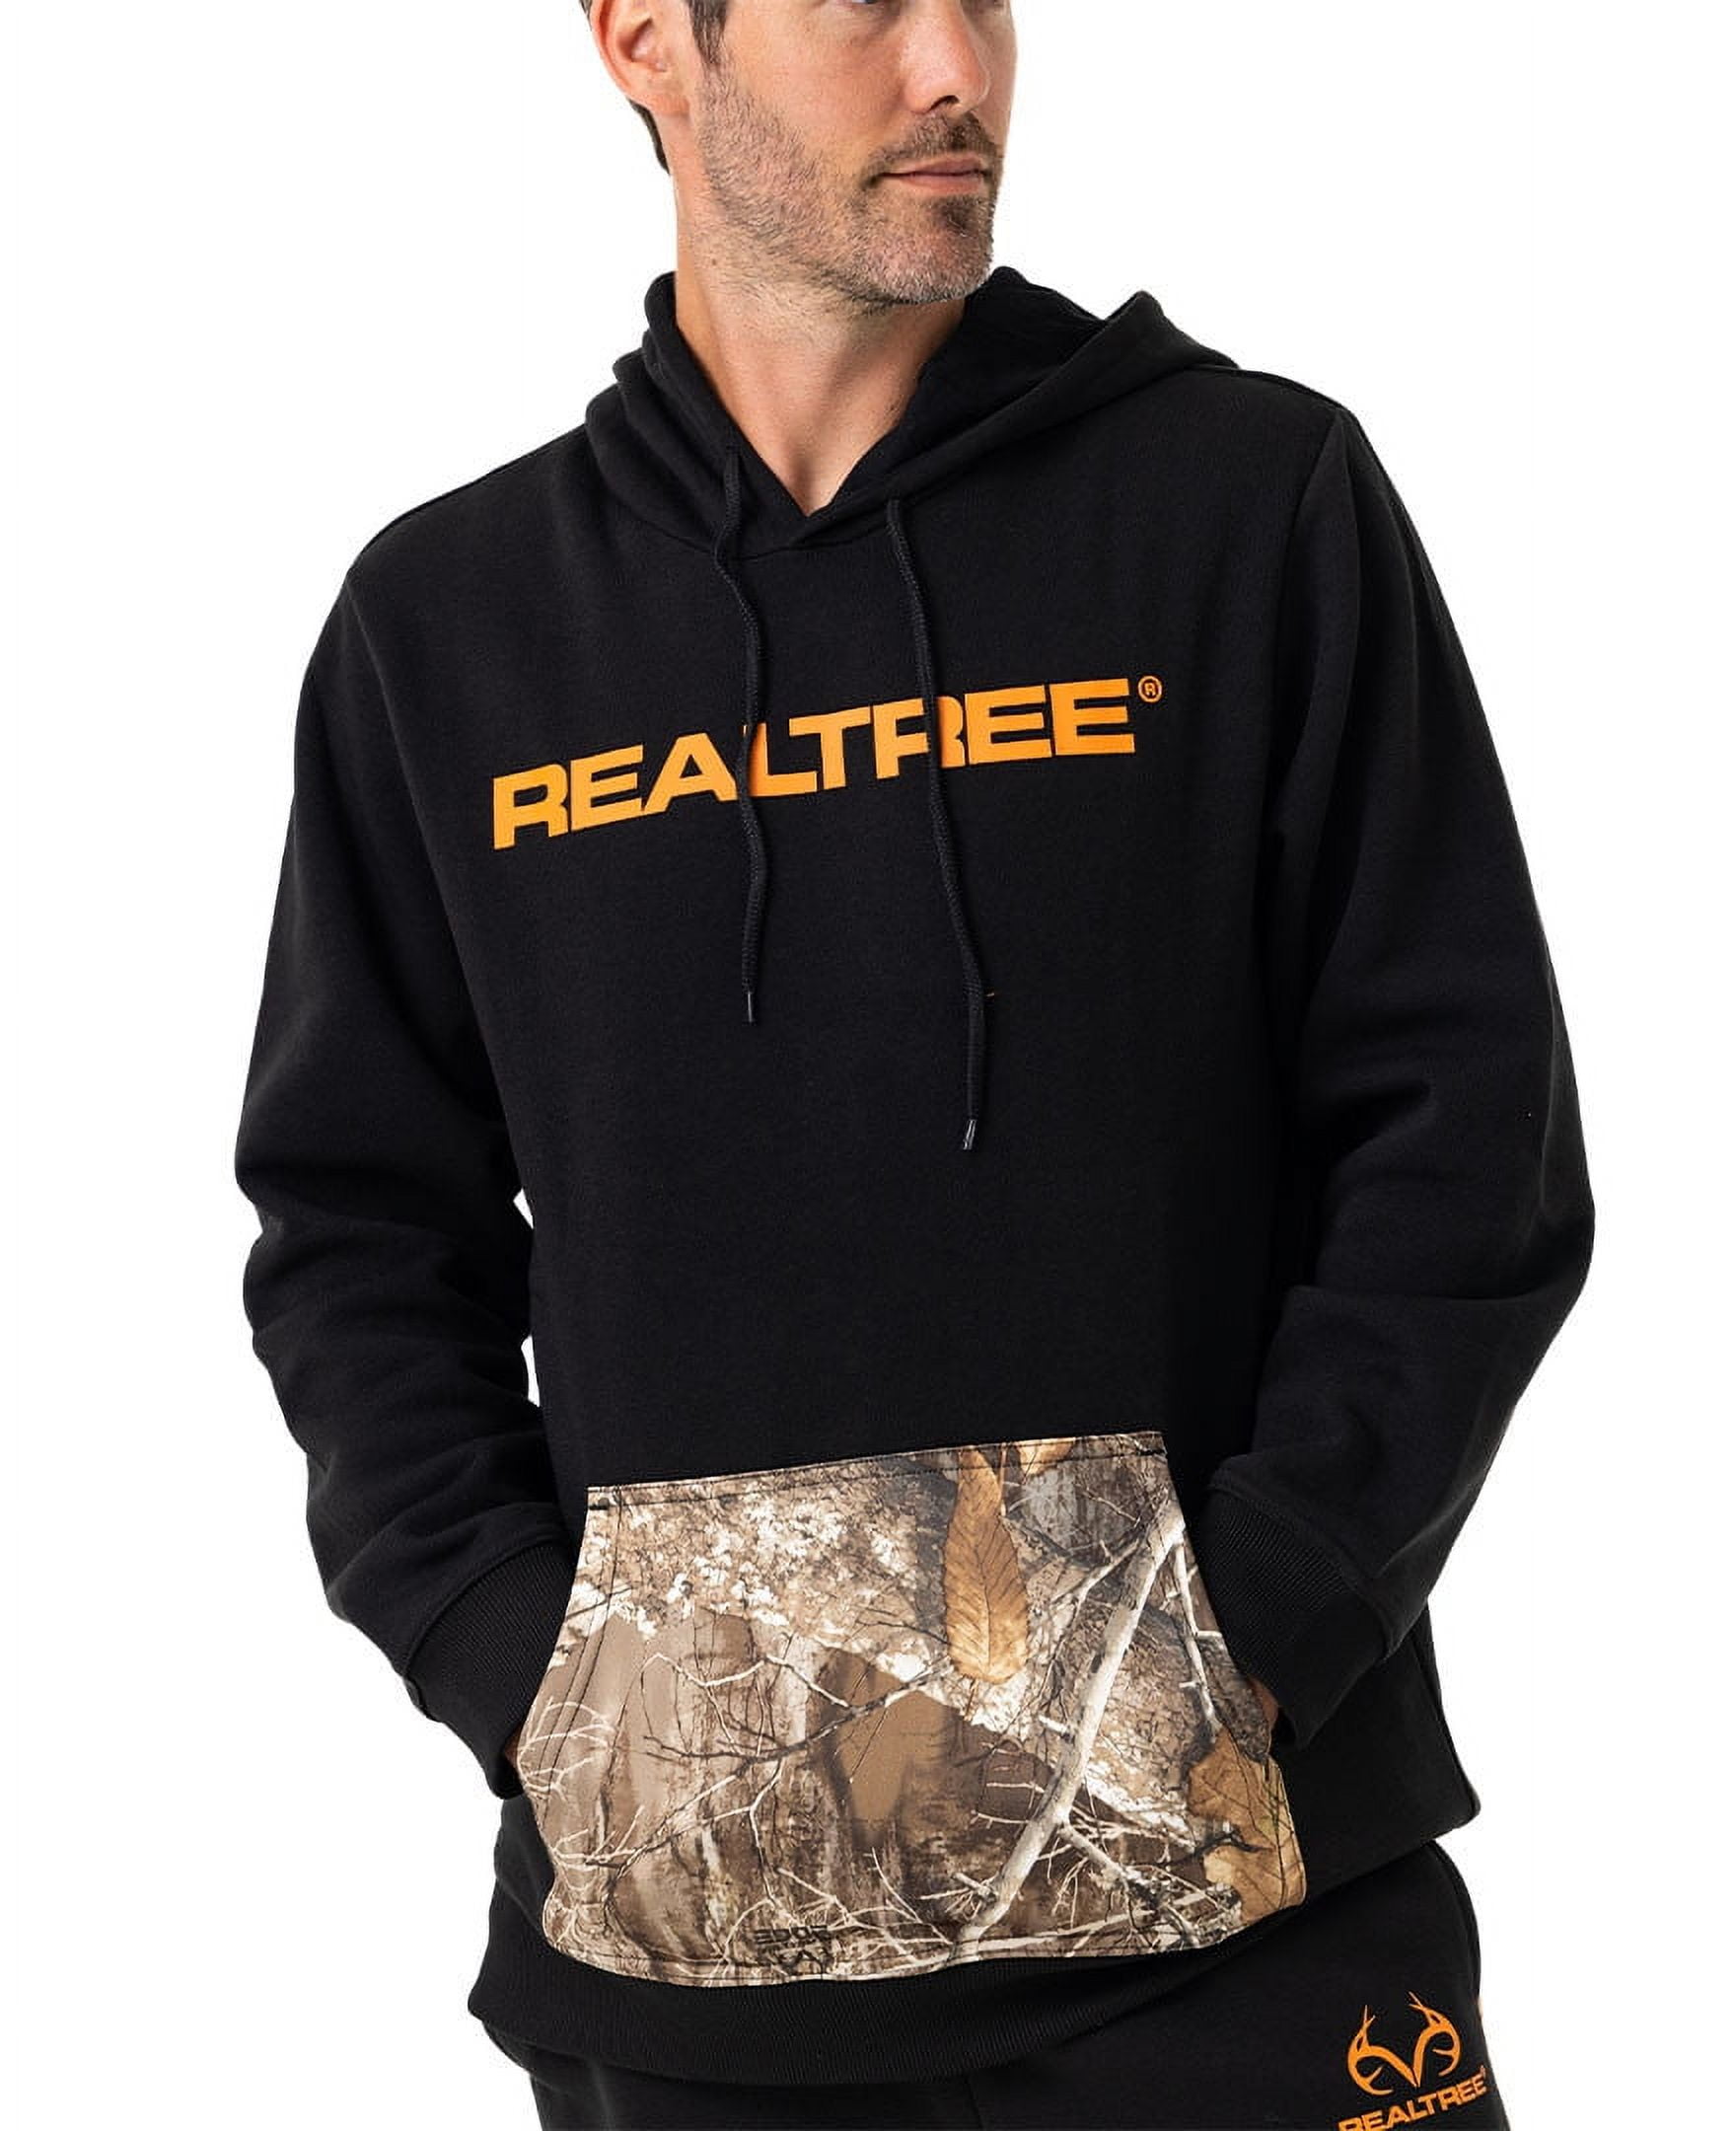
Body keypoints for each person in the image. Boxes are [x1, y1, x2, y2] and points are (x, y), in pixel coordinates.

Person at [232, 2, 1595, 2124]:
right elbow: (354, 1227)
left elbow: (1461, 1136)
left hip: (1242, 1906)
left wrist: (1251, 1634)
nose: (956, 64)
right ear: (643, 40)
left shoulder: (1246, 504)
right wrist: (525, 1669)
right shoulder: (453, 624)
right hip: (690, 1961)